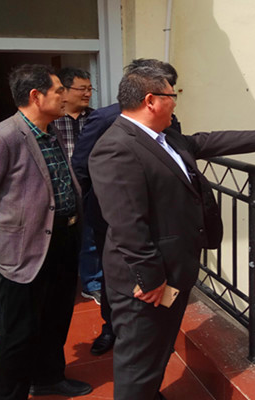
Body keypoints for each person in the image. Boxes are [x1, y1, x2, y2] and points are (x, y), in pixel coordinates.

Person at [88, 61, 255, 400]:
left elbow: (210, 141)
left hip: (173, 271)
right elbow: (127, 224)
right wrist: (151, 279)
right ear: (151, 101)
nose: (175, 103)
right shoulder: (116, 147)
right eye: (172, 96)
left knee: (157, 349)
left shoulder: (165, 138)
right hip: (146, 281)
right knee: (138, 359)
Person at [0, 64, 92, 400]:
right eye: (59, 91)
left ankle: (47, 377)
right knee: (17, 331)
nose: (65, 97)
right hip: (22, 248)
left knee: (56, 316)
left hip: (62, 240)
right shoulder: (1, 139)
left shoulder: (50, 131)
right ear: (36, 96)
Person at [72, 59, 181, 356]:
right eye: (167, 90)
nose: (172, 97)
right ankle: (111, 328)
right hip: (111, 215)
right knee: (116, 275)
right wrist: (99, 203)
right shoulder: (106, 118)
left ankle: (155, 331)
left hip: (157, 217)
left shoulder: (169, 119)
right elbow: (81, 166)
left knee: (157, 272)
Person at [52, 67, 102, 304]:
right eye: (82, 89)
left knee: (90, 237)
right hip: (59, 189)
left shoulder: (96, 119)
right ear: (64, 90)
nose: (87, 94)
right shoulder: (51, 119)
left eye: (90, 89)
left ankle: (92, 284)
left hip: (91, 187)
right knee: (60, 239)